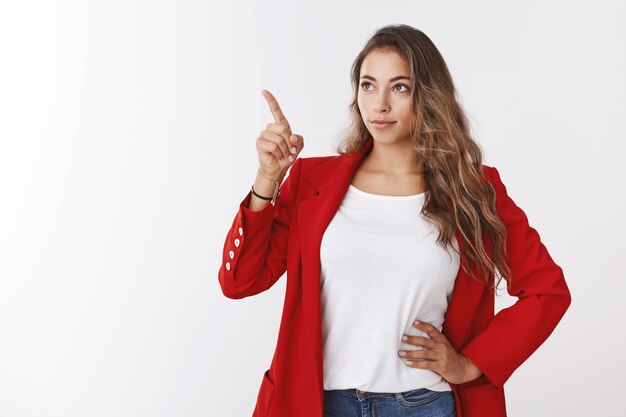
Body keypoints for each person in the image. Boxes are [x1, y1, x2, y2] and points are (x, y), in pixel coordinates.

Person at [218, 24, 571, 417]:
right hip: (319, 403)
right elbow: (239, 282)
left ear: (428, 96)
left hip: (424, 404)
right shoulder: (311, 183)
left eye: (399, 87)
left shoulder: (472, 189)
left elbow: (548, 291)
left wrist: (470, 364)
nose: (379, 104)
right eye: (368, 86)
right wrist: (268, 179)